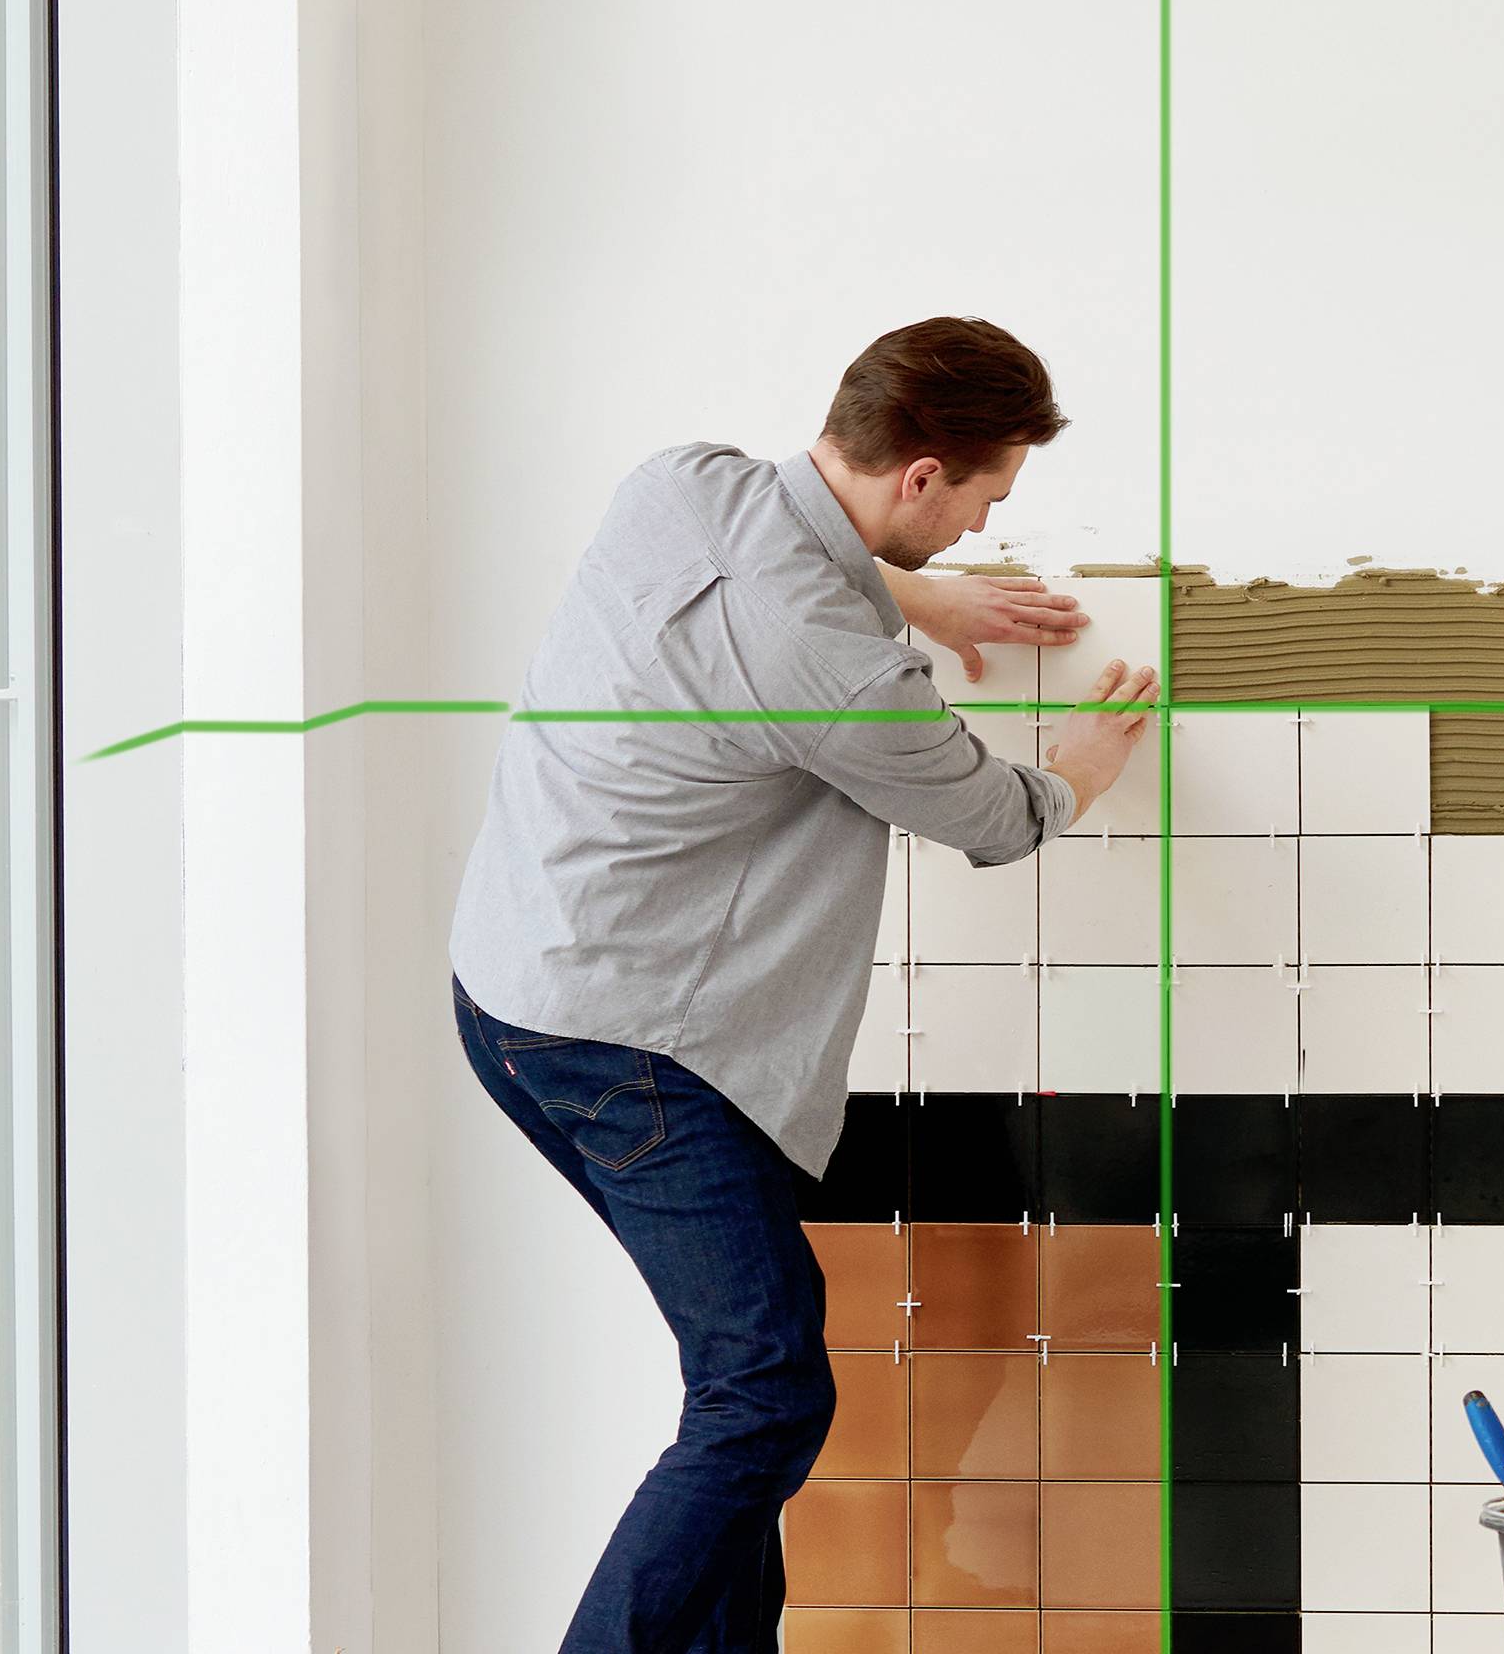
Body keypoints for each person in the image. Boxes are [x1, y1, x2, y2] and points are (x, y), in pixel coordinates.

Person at [446, 317, 1158, 1653]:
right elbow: (993, 817)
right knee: (763, 1395)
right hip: (629, 1053)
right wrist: (1080, 768)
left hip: (508, 990)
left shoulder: (679, 481)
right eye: (985, 502)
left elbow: (784, 593)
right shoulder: (839, 668)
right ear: (922, 476)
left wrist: (920, 597)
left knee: (740, 1403)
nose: (980, 529)